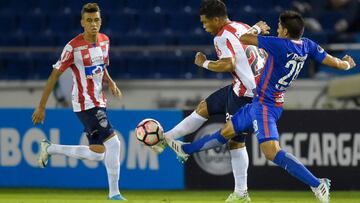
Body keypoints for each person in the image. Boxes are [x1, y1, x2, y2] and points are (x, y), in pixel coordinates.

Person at [166, 10, 356, 203]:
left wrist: (256, 28)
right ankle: (186, 150)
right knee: (227, 131)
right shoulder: (307, 45)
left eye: (279, 27)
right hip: (261, 102)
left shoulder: (279, 44)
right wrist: (346, 65)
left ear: (285, 31)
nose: (277, 29)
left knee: (271, 152)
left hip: (266, 106)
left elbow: (244, 38)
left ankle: (317, 183)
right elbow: (334, 62)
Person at [151, 0, 269, 202]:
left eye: (205, 22)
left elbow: (227, 64)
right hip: (243, 87)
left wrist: (203, 62)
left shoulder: (221, 37)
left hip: (246, 96)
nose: (204, 27)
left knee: (235, 141)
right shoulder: (240, 26)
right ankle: (165, 139)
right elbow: (254, 38)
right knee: (204, 107)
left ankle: (241, 193)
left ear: (216, 19)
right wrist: (258, 27)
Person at [32, 3, 126, 200]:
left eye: (97, 20)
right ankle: (114, 194)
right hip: (85, 103)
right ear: (82, 22)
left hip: (100, 100)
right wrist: (41, 106)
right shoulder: (73, 47)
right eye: (89, 20)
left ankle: (50, 148)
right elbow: (53, 76)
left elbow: (101, 65)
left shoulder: (105, 41)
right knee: (114, 143)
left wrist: (110, 81)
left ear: (101, 21)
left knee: (98, 153)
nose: (94, 24)